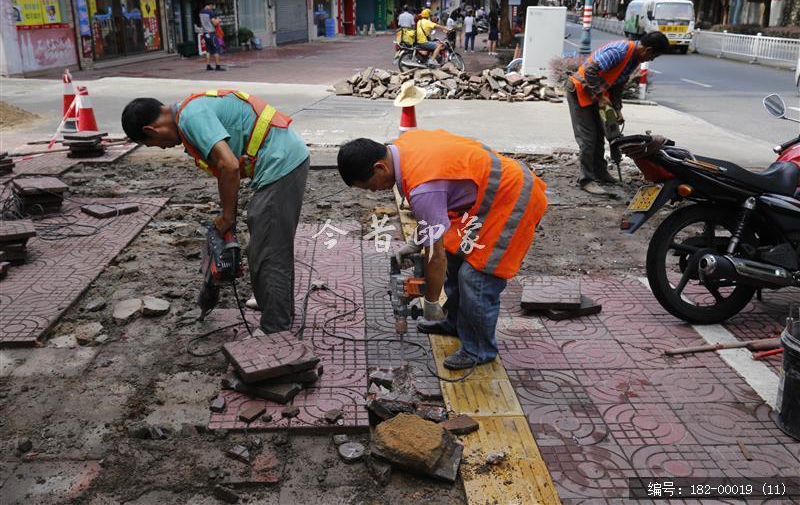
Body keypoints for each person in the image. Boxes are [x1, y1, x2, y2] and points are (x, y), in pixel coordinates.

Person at [337, 129, 548, 370]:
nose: (373, 192)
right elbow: (436, 211)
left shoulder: (423, 186)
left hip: (514, 197)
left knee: (476, 277)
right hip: (485, 198)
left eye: (368, 186)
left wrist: (430, 301)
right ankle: (455, 323)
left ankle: (479, 349)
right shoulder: (404, 148)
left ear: (380, 168)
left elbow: (435, 257)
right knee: (455, 255)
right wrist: (416, 242)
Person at [120, 90, 310, 334]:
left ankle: (276, 328)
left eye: (153, 144)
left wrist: (228, 217)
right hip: (278, 162)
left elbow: (228, 166)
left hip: (281, 164)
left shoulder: (191, 117)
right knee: (262, 246)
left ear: (152, 130)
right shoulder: (191, 112)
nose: (164, 148)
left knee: (270, 251)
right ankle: (273, 304)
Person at [567, 32, 670, 195]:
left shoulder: (633, 58)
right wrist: (601, 97)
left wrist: (617, 108)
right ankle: (586, 179)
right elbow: (589, 72)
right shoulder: (619, 52)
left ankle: (600, 172)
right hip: (580, 91)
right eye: (653, 56)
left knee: (600, 135)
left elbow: (618, 83)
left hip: (594, 93)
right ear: (648, 49)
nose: (651, 60)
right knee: (588, 138)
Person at [199, 1, 225, 71]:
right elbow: (214, 23)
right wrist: (218, 20)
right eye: (213, 6)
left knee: (208, 50)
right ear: (210, 5)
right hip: (211, 33)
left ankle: (208, 66)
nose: (213, 8)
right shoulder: (210, 12)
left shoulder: (201, 11)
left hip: (205, 33)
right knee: (216, 49)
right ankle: (218, 66)